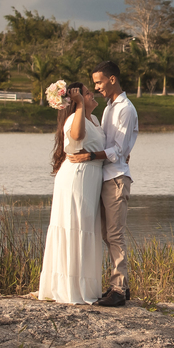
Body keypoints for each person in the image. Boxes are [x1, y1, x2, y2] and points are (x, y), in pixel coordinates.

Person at [68, 60, 138, 307]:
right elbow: (108, 144)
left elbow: (118, 151)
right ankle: (121, 286)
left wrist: (89, 156)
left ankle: (118, 290)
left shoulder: (125, 109)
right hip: (104, 177)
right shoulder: (109, 107)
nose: (96, 87)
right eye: (94, 83)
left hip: (116, 178)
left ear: (111, 79)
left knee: (115, 234)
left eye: (98, 82)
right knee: (107, 235)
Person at [37, 81, 105, 304]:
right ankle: (69, 289)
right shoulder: (73, 119)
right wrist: (78, 107)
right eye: (86, 93)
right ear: (76, 100)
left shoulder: (94, 119)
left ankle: (86, 287)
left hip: (90, 178)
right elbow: (76, 138)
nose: (92, 94)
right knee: (75, 227)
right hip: (76, 178)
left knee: (86, 228)